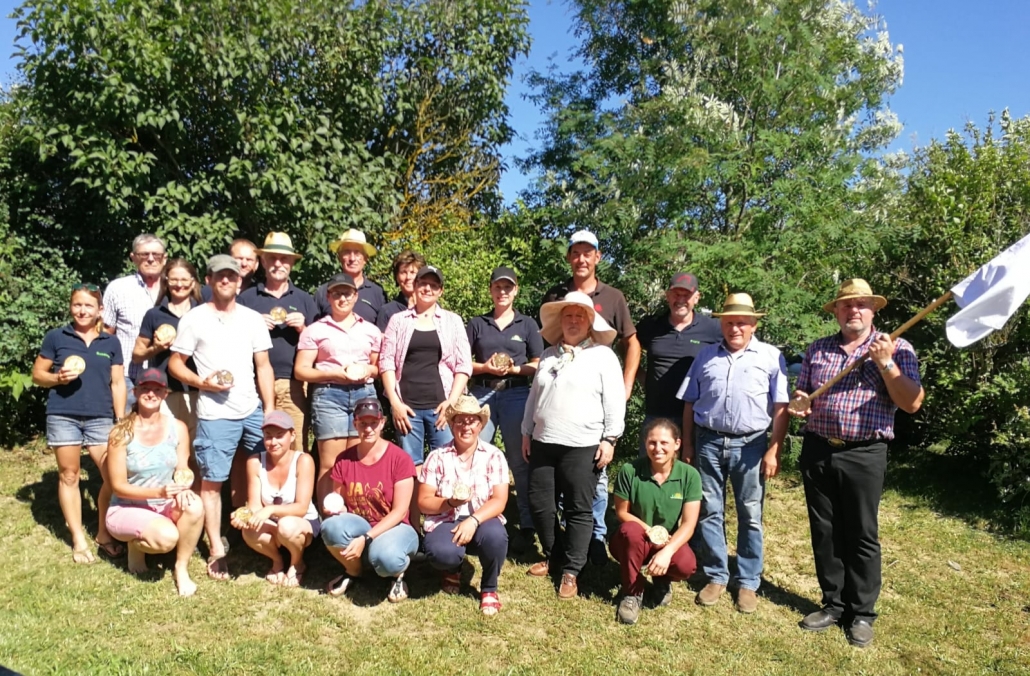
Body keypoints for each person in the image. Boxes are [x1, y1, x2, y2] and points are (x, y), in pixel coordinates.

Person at [791, 279, 923, 648]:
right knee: (825, 530)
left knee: (862, 534)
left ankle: (862, 614)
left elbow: (911, 402)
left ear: (873, 310)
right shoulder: (819, 349)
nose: (854, 310)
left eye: (861, 304)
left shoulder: (897, 348)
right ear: (836, 310)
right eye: (847, 305)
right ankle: (833, 604)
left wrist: (886, 366)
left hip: (865, 453)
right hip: (818, 449)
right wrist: (801, 403)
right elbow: (804, 396)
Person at [676, 293, 789, 614]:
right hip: (708, 441)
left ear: (754, 324)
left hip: (751, 444)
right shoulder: (706, 356)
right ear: (721, 324)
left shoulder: (770, 357)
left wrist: (774, 450)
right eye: (729, 322)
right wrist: (688, 443)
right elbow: (689, 402)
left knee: (750, 514)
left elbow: (781, 408)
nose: (735, 328)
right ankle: (716, 576)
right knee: (710, 510)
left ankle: (748, 581)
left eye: (742, 322)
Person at [168, 254, 275, 581]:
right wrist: (202, 383)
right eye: (219, 276)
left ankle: (266, 539)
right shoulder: (194, 319)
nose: (226, 280)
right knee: (213, 482)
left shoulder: (253, 319)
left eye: (231, 275)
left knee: (266, 475)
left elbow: (264, 366)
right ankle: (216, 549)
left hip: (252, 410)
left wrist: (269, 409)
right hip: (215, 415)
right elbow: (175, 363)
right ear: (209, 281)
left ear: (240, 280)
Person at [542, 229, 638, 564]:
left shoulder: (613, 297)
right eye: (576, 253)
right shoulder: (558, 294)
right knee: (560, 477)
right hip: (562, 401)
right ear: (569, 257)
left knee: (593, 476)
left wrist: (624, 387)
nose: (581, 259)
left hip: (596, 401)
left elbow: (632, 342)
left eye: (588, 253)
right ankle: (569, 540)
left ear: (598, 257)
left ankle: (593, 540)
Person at [521, 291, 625, 600]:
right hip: (543, 441)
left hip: (583, 445)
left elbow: (615, 401)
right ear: (560, 321)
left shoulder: (604, 356)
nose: (574, 321)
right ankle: (554, 556)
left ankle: (571, 570)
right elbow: (534, 398)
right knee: (541, 504)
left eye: (580, 316)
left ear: (590, 321)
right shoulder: (550, 354)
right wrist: (526, 431)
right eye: (568, 316)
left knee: (579, 509)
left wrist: (610, 439)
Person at [32, 283, 127, 563]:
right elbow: (38, 374)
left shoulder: (111, 342)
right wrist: (56, 378)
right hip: (64, 415)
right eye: (77, 305)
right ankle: (78, 539)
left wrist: (120, 419)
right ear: (71, 307)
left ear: (100, 310)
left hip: (101, 417)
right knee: (70, 475)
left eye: (88, 305)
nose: (82, 310)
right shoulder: (56, 337)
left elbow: (118, 382)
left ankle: (103, 533)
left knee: (112, 476)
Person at [104, 369, 204, 596]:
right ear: (135, 391)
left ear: (166, 393)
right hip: (126, 506)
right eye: (145, 388)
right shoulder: (120, 433)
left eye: (157, 389)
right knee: (167, 538)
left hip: (164, 501)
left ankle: (181, 568)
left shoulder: (177, 427)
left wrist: (183, 484)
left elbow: (182, 467)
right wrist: (160, 491)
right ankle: (135, 544)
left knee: (195, 505)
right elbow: (118, 485)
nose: (151, 393)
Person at [466, 266, 542, 552]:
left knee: (520, 461)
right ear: (491, 289)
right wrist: (484, 367)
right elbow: (461, 361)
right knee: (473, 458)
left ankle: (527, 524)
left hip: (516, 394)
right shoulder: (477, 323)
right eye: (498, 287)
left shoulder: (527, 324)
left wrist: (516, 368)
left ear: (516, 290)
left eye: (508, 287)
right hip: (482, 392)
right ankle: (470, 519)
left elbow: (538, 362)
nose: (502, 292)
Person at [418, 396, 510, 616]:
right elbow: (423, 502)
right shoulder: (436, 456)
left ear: (480, 425)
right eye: (460, 421)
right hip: (446, 519)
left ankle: (489, 588)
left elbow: (499, 500)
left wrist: (473, 520)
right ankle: (452, 567)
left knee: (496, 538)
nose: (466, 426)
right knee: (442, 553)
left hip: (481, 518)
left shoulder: (494, 455)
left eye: (472, 421)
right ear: (451, 425)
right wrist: (450, 502)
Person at [294, 272, 382, 503]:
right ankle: (328, 520)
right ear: (329, 296)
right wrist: (333, 373)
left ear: (356, 296)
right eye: (337, 294)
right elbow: (301, 370)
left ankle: (354, 516)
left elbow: (379, 367)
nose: (342, 299)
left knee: (358, 460)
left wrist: (367, 370)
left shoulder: (371, 330)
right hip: (329, 395)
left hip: (364, 393)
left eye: (347, 293)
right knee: (330, 462)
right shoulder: (315, 330)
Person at [321, 397, 418, 603]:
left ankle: (396, 574)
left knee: (385, 558)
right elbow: (339, 502)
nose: (368, 429)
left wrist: (366, 538)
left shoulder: (400, 459)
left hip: (395, 527)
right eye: (363, 423)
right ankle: (353, 571)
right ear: (355, 424)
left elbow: (400, 511)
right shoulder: (344, 459)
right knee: (330, 526)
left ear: (382, 423)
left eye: (373, 422)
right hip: (360, 524)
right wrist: (333, 508)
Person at [611, 418, 702, 624]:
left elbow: (689, 523)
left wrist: (667, 550)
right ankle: (632, 592)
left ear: (677, 444)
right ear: (645, 444)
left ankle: (662, 579)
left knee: (687, 565)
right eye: (652, 442)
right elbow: (622, 513)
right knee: (630, 531)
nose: (657, 448)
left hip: (668, 541)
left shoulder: (690, 475)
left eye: (664, 443)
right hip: (633, 540)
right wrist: (651, 532)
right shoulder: (630, 470)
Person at [380, 265, 472, 466]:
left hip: (441, 407)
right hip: (407, 408)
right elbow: (386, 362)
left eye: (434, 285)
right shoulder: (398, 321)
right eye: (423, 284)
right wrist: (395, 404)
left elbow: (464, 365)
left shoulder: (453, 321)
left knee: (447, 464)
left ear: (441, 290)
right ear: (415, 286)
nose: (428, 289)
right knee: (412, 466)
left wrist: (451, 402)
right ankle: (415, 500)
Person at [238, 232, 318, 447]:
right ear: (263, 261)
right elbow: (232, 341)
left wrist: (303, 328)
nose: (278, 264)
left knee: (295, 444)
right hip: (252, 384)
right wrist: (252, 326)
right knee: (257, 447)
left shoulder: (304, 299)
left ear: (291, 263)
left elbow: (321, 345)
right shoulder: (246, 299)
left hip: (294, 384)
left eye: (284, 259)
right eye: (272, 258)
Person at [232, 410, 318, 588]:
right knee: (248, 531)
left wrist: (270, 509)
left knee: (286, 526)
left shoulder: (304, 461)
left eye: (280, 435)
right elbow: (255, 504)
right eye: (268, 436)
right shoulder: (254, 462)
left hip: (301, 522)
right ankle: (277, 560)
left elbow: (301, 508)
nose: (273, 442)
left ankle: (297, 562)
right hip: (272, 522)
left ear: (292, 435)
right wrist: (243, 516)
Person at [635, 272, 721, 450]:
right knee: (651, 473)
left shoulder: (713, 328)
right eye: (676, 294)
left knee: (690, 474)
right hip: (657, 414)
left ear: (696, 298)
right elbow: (627, 345)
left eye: (686, 295)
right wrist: (640, 375)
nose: (680, 299)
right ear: (667, 296)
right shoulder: (651, 325)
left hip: (697, 417)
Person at [133, 258, 202, 445]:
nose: (179, 285)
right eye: (173, 280)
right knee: (167, 445)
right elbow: (137, 354)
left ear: (193, 282)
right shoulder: (154, 314)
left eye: (184, 280)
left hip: (199, 392)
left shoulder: (203, 313)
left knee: (196, 449)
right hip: (165, 393)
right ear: (166, 282)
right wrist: (156, 348)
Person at [102, 233, 166, 410]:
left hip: (167, 379)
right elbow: (106, 333)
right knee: (126, 430)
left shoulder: (176, 288)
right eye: (144, 254)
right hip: (128, 377)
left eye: (156, 255)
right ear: (133, 258)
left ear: (165, 258)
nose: (151, 259)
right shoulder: (118, 288)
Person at [315, 229, 387, 325]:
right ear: (339, 257)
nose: (352, 258)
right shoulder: (324, 292)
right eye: (347, 252)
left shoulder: (377, 293)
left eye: (357, 253)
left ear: (365, 259)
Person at [376, 250, 426, 332]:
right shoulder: (387, 311)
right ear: (397, 277)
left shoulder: (432, 308)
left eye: (413, 272)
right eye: (403, 272)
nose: (408, 277)